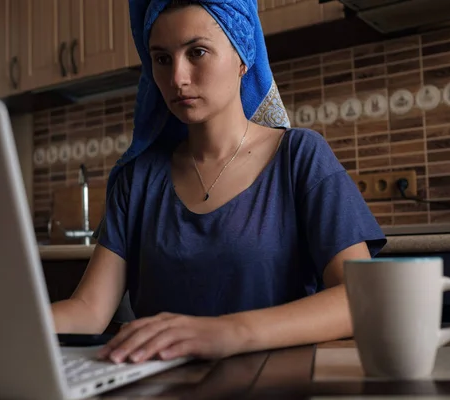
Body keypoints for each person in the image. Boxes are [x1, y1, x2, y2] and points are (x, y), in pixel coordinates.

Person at [51, 0, 387, 365]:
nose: (177, 78)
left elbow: (360, 297)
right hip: (158, 388)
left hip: (273, 384)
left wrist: (227, 332)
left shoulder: (299, 157)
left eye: (197, 52)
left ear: (244, 56)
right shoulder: (138, 179)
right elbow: (88, 310)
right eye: (162, 59)